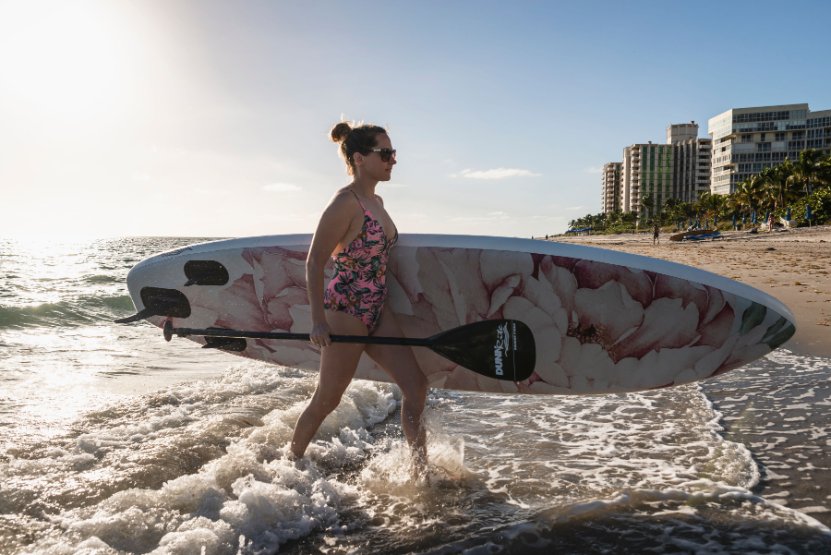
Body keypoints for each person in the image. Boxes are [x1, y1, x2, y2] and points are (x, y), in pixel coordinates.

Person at [290, 121, 429, 470]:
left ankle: (420, 470)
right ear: (359, 158)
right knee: (327, 399)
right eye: (385, 153)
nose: (392, 159)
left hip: (377, 309)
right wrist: (318, 321)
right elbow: (315, 261)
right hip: (346, 311)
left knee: (416, 387)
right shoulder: (345, 203)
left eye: (393, 152)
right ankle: (290, 461)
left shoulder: (376, 201)